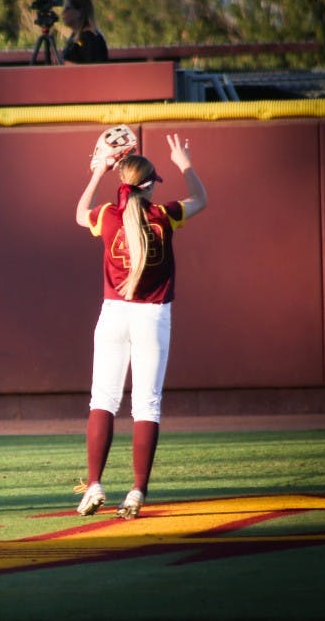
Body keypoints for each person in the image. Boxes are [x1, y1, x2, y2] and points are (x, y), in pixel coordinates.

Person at [73, 132, 207, 519]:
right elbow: (201, 199)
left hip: (113, 314)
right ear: (149, 187)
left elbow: (80, 214)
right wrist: (185, 164)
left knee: (103, 400)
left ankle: (95, 482)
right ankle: (136, 491)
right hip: (151, 316)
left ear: (123, 183)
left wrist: (98, 171)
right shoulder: (164, 215)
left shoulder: (107, 216)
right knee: (146, 404)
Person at [60, 0, 108, 64]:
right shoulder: (75, 36)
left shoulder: (91, 38)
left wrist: (66, 65)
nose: (63, 12)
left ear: (80, 12)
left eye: (67, 9)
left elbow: (93, 68)